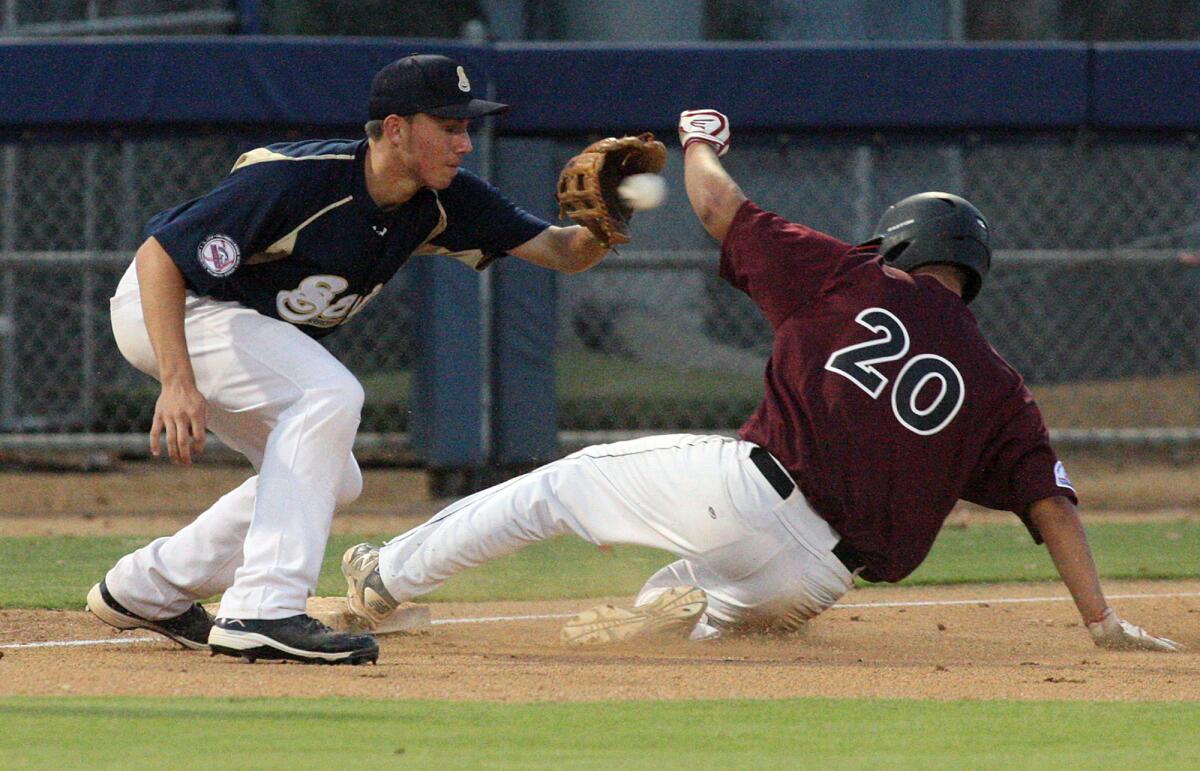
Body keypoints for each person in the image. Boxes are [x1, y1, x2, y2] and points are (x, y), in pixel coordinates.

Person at [340, 108, 1179, 653]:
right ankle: (685, 616)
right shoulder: (1002, 388)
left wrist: (700, 137)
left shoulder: (856, 276)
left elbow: (718, 209)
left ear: (901, 247)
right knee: (678, 613)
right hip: (818, 580)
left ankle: (385, 579)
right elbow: (1052, 504)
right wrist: (1099, 619)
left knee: (563, 484)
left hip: (749, 497)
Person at [85, 54, 612, 665]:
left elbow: (563, 252)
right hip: (174, 308)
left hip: (233, 328)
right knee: (327, 396)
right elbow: (160, 256)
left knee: (331, 474)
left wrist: (609, 217)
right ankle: (264, 608)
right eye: (448, 126)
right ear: (394, 128)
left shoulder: (445, 200)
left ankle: (146, 588)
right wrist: (178, 381)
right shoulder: (298, 179)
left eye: (467, 127)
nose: (465, 142)